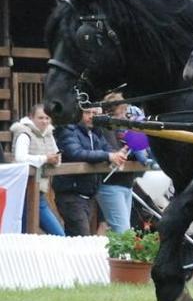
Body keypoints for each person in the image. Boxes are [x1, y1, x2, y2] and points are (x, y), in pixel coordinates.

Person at [52, 107, 128, 236]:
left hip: (89, 195)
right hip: (71, 194)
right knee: (82, 239)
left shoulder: (96, 132)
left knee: (77, 240)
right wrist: (109, 156)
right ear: (79, 113)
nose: (92, 116)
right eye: (88, 112)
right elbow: (76, 153)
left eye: (95, 114)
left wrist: (117, 154)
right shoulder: (68, 130)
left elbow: (107, 149)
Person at [95, 92, 149, 233]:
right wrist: (128, 146)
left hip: (126, 183)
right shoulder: (106, 129)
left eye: (125, 111)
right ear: (110, 112)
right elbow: (113, 151)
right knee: (123, 231)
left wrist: (136, 145)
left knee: (121, 231)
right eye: (121, 113)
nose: (124, 116)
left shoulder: (124, 128)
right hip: (111, 184)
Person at [10, 104, 65, 236]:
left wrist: (55, 160)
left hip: (38, 193)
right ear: (31, 118)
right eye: (40, 118)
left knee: (56, 235)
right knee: (23, 234)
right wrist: (45, 158)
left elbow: (56, 156)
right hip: (22, 192)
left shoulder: (49, 134)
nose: (45, 121)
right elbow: (20, 158)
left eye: (47, 118)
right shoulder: (23, 133)